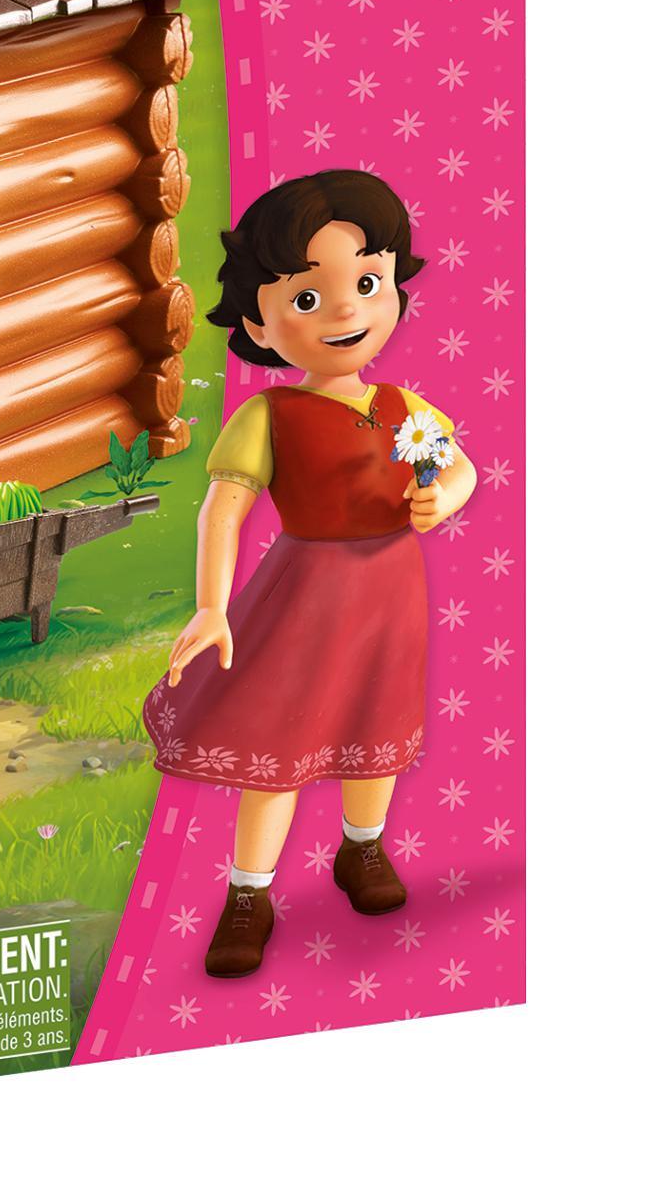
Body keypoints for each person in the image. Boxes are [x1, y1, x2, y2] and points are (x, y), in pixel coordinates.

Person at [146, 171, 479, 977]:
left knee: (378, 724)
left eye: (367, 283)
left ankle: (362, 847)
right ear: (257, 320)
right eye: (306, 297)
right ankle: (249, 892)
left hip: (390, 594)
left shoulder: (402, 408)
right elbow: (222, 510)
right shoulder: (270, 415)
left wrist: (443, 496)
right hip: (304, 597)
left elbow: (460, 466)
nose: (344, 312)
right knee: (282, 738)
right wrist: (211, 605)